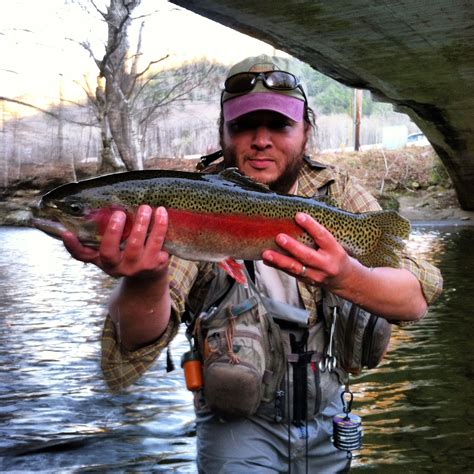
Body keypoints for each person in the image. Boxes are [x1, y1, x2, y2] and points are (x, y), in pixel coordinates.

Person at [62, 54, 443, 473]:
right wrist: (146, 278)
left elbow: (418, 296)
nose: (261, 140)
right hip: (237, 429)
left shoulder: (334, 193)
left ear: (306, 132)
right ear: (223, 133)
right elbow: (133, 342)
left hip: (329, 416)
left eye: (279, 125)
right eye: (243, 126)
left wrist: (348, 275)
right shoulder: (185, 200)